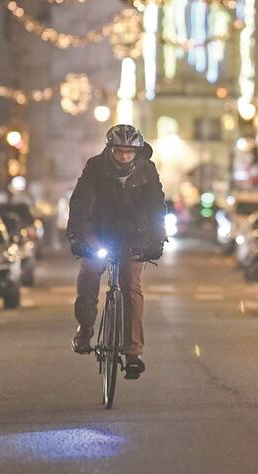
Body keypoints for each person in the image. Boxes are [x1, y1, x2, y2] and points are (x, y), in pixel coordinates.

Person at [67, 124, 166, 379]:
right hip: (99, 231)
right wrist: (77, 235)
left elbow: (156, 207)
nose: (124, 156)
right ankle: (85, 326)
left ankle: (133, 352)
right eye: (119, 151)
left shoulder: (147, 171)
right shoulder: (95, 167)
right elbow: (80, 202)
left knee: (131, 286)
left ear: (137, 152)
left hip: (133, 236)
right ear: (110, 149)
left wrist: (156, 240)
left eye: (129, 152)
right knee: (89, 271)